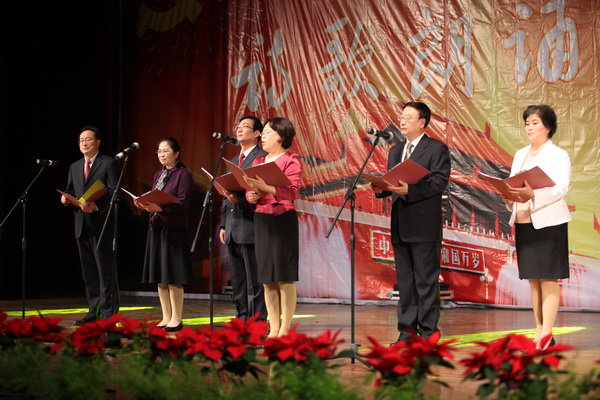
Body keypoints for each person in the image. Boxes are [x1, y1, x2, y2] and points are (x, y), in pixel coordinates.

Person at [371, 102, 450, 343]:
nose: (402, 121)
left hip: (424, 226)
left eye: (408, 117)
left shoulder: (435, 148)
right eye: (401, 117)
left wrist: (411, 190)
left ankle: (428, 333)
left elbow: (439, 182)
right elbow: (394, 183)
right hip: (400, 224)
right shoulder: (396, 151)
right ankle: (407, 332)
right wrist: (382, 188)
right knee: (405, 283)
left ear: (422, 122)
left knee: (425, 282)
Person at [503, 104, 571, 350]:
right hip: (523, 220)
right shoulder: (520, 153)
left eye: (535, 123)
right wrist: (508, 196)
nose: (529, 127)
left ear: (548, 127)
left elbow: (561, 188)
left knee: (548, 277)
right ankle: (539, 331)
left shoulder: (558, 155)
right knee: (533, 279)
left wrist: (534, 194)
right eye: (527, 123)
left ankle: (547, 333)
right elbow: (513, 184)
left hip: (548, 222)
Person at [244, 117, 302, 338]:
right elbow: (251, 191)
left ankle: (285, 328)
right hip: (262, 219)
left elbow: (293, 192)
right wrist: (251, 196)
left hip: (283, 219)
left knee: (284, 276)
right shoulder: (258, 161)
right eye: (264, 132)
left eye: (268, 132)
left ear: (281, 135)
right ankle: (274, 328)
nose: (264, 136)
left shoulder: (291, 160)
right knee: (267, 277)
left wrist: (266, 187)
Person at [61, 126, 120, 325]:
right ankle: (93, 311)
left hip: (101, 224)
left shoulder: (108, 163)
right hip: (81, 224)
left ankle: (108, 314)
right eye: (81, 140)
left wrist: (97, 205)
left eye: (88, 139)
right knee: (89, 272)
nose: (84, 143)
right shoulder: (74, 166)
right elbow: (70, 189)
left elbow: (115, 191)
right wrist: (66, 198)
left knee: (105, 270)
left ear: (97, 142)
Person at [136, 137, 193, 332]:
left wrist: (161, 208)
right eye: (159, 151)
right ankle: (166, 316)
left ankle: (176, 317)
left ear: (176, 153)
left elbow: (183, 202)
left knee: (174, 275)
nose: (161, 154)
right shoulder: (158, 174)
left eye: (166, 151)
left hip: (174, 229)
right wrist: (144, 204)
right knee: (160, 275)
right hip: (157, 228)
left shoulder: (183, 174)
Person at [219, 116, 268, 321]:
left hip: (252, 224)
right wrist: (223, 225)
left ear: (257, 133)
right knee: (238, 278)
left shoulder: (262, 157)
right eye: (238, 127)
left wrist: (238, 198)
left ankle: (257, 319)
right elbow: (226, 194)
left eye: (245, 127)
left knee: (254, 278)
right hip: (232, 225)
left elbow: (263, 193)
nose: (239, 130)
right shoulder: (232, 160)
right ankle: (241, 316)